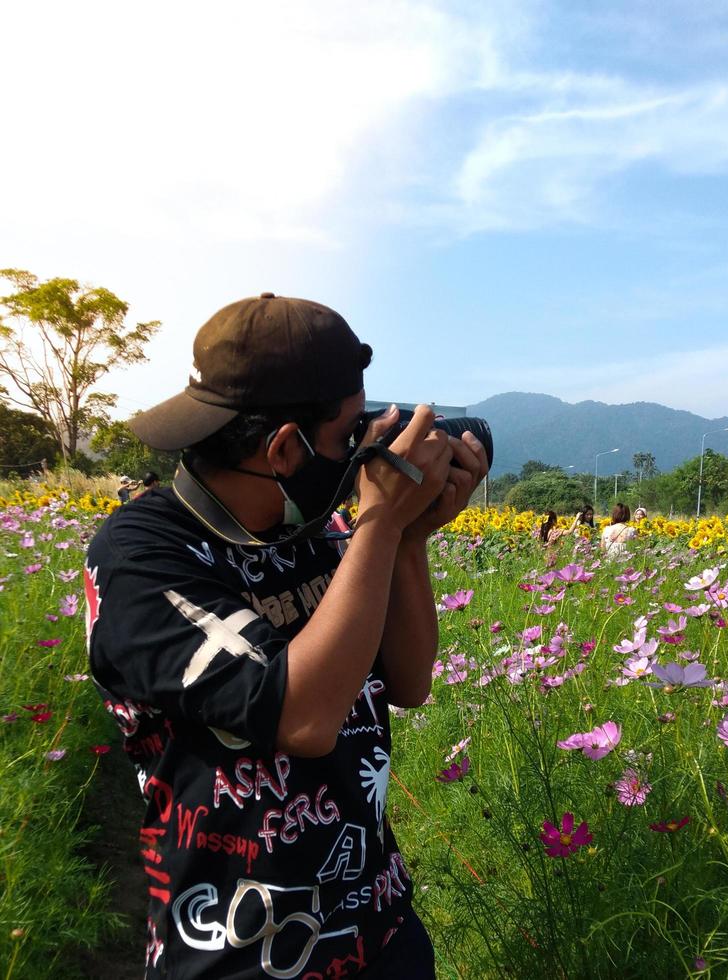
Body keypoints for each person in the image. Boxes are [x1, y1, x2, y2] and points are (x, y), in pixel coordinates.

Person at [84, 293, 487, 979]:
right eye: (347, 436)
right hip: (240, 955)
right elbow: (301, 714)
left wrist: (407, 534)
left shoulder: (328, 535)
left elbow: (411, 681)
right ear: (283, 449)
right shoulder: (142, 556)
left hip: (379, 929)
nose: (365, 451)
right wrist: (381, 524)